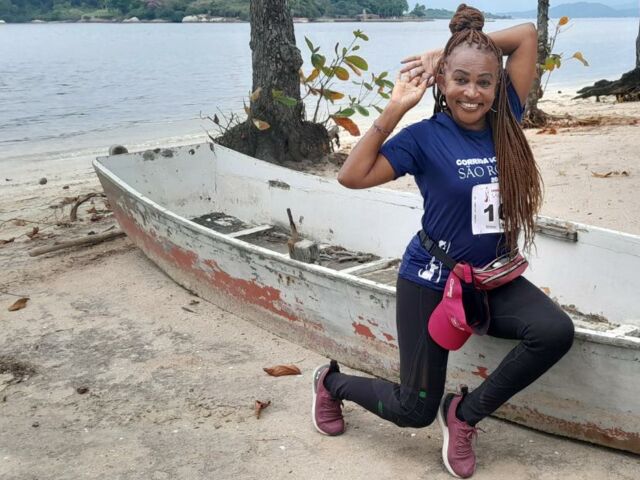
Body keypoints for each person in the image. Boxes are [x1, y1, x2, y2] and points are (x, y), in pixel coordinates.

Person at [310, 4, 575, 479]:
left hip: (491, 278)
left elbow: (525, 35)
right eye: (460, 79)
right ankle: (331, 384)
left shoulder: (507, 117)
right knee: (413, 409)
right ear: (441, 82)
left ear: (497, 86)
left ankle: (463, 415)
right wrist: (396, 107)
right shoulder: (423, 138)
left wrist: (446, 50)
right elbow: (352, 176)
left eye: (484, 82)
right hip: (432, 280)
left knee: (554, 331)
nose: (472, 92)